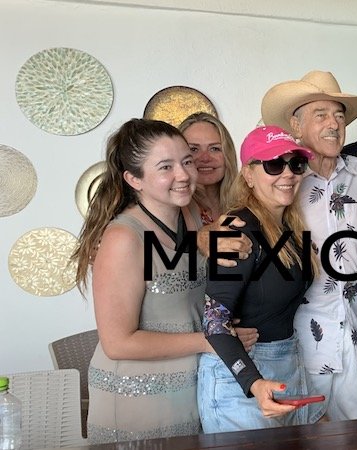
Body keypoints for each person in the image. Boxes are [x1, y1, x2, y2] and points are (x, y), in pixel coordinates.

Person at [72, 119, 254, 443]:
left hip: (190, 391)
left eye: (186, 162)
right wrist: (210, 341)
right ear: (134, 179)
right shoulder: (123, 238)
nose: (183, 175)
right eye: (165, 167)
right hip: (135, 399)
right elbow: (117, 343)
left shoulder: (192, 213)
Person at [260, 70, 357, 421]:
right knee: (302, 436)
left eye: (339, 116)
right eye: (320, 115)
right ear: (296, 125)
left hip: (355, 333)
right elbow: (245, 223)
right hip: (298, 340)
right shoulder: (282, 179)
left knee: (356, 434)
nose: (334, 124)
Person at [198, 125, 317, 432]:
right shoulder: (237, 231)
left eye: (296, 164)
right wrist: (252, 381)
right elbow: (214, 321)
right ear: (248, 175)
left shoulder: (290, 227)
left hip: (286, 365)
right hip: (241, 379)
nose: (288, 173)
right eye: (274, 164)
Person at [178, 112, 239, 225]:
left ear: (228, 154)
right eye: (193, 149)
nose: (205, 158)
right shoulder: (175, 210)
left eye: (214, 149)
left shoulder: (246, 205)